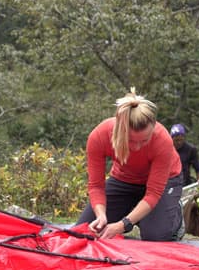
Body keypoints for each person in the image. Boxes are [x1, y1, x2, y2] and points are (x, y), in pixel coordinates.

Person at [76, 89, 184, 241]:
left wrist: (122, 225)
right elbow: (96, 186)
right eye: (131, 141)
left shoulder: (162, 140)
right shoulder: (99, 136)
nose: (138, 147)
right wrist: (101, 215)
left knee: (155, 236)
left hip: (164, 182)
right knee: (83, 231)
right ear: (119, 131)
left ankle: (172, 214)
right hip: (125, 180)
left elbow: (153, 193)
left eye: (145, 140)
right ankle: (139, 212)